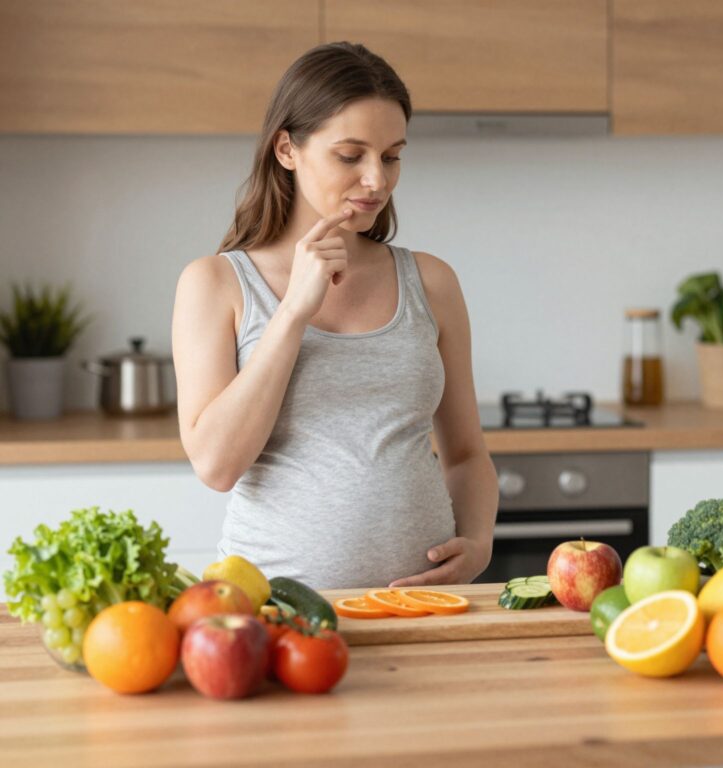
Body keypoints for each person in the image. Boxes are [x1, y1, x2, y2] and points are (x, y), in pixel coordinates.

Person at [171, 42, 498, 589]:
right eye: (351, 156)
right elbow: (217, 465)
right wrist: (295, 310)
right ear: (286, 150)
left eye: (391, 156)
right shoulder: (216, 284)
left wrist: (480, 542)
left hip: (422, 610)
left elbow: (466, 454)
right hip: (273, 616)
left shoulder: (431, 281)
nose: (377, 180)